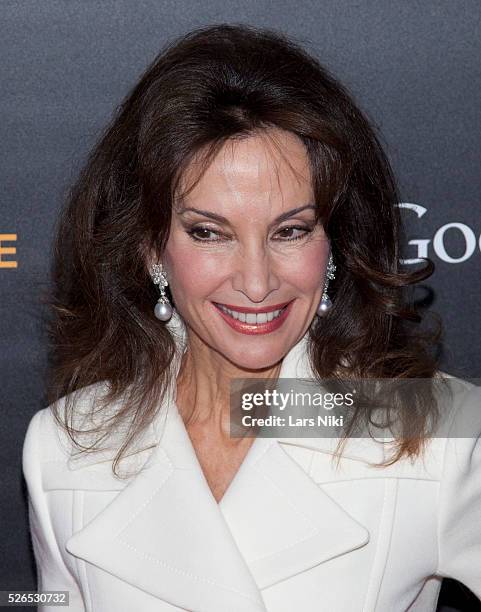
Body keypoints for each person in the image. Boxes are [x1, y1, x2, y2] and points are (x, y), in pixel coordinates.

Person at [22, 23, 481, 612]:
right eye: (209, 233)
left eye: (290, 231)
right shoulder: (65, 445)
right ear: (147, 246)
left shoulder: (432, 428)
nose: (258, 282)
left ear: (333, 239)